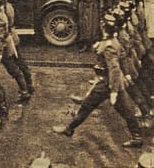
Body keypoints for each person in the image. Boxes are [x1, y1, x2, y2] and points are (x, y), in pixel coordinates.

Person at [53, 14, 143, 148]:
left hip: (107, 83)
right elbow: (122, 58)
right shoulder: (113, 42)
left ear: (104, 29)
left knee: (86, 107)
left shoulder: (108, 47)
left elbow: (114, 69)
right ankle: (137, 137)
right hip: (115, 83)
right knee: (126, 111)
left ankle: (69, 128)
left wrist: (113, 91)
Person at [0, 0, 31, 102]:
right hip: (10, 39)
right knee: (19, 63)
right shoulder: (8, 7)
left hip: (4, 45)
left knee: (12, 69)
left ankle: (24, 91)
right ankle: (27, 87)